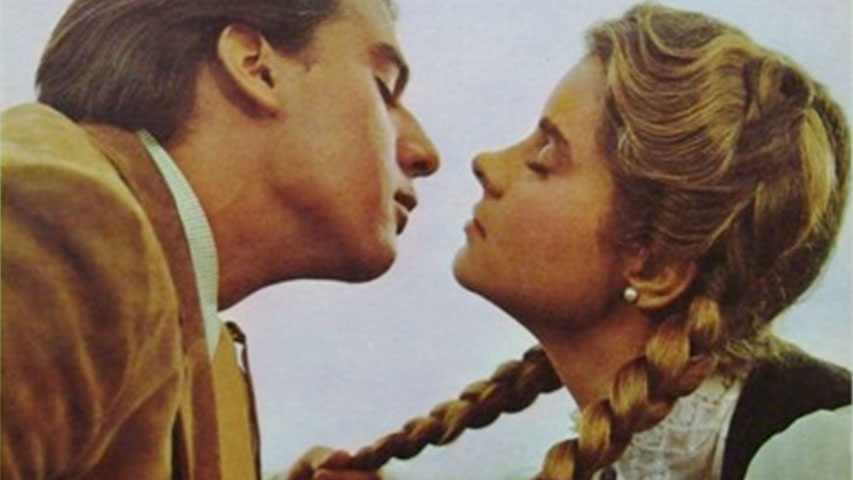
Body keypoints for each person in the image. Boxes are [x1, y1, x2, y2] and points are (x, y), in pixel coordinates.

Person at [317, 4, 851, 480]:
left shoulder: (826, 454)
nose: (487, 163)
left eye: (545, 158)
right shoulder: (636, 460)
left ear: (654, 268)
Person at [0, 0, 439, 479]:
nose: (425, 153)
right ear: (257, 68)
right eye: (383, 87)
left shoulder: (200, 343)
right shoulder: (60, 210)